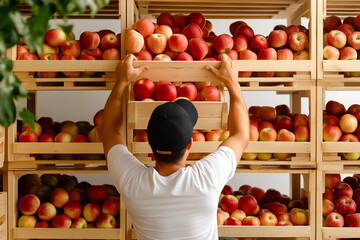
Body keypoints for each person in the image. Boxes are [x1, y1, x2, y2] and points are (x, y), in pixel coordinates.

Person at [102, 53, 249, 240]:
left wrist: (120, 82)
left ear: (149, 144)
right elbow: (241, 134)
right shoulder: (207, 178)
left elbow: (109, 133)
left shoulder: (132, 182)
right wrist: (233, 84)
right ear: (190, 144)